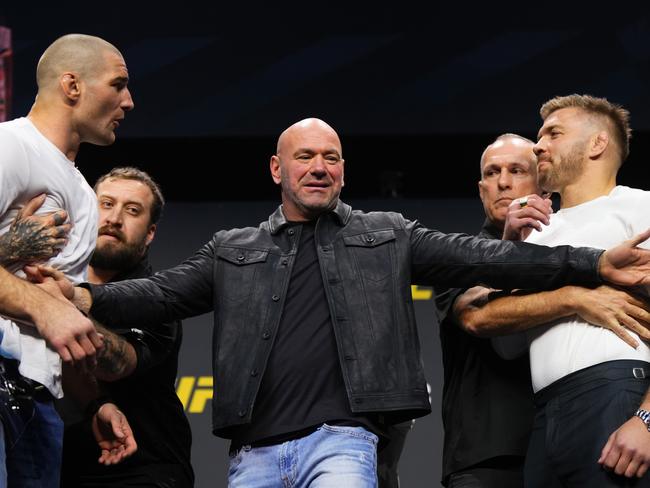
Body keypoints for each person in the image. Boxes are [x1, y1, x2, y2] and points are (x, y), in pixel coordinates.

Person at [67, 118, 650, 488]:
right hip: (253, 453)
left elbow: (489, 258)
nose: (319, 167)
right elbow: (156, 295)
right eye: (304, 157)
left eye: (331, 157)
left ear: (343, 171)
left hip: (342, 442)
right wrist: (77, 295)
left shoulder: (387, 233)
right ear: (277, 169)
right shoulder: (231, 250)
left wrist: (592, 263)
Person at [458, 95, 650, 487]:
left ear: (597, 144)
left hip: (617, 393)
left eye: (553, 134)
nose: (538, 145)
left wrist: (647, 419)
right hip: (545, 416)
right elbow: (507, 346)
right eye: (539, 135)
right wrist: (511, 255)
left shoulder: (640, 208)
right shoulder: (538, 234)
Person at [0, 33, 134, 486]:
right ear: (72, 86)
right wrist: (40, 302)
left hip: (40, 401)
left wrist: (92, 402)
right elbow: (47, 310)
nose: (128, 101)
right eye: (118, 85)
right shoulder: (10, 147)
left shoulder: (82, 193)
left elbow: (58, 320)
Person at [53, 167, 193, 487]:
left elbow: (116, 365)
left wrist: (47, 304)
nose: (114, 218)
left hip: (140, 470)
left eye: (132, 210)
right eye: (106, 204)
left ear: (150, 233)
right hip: (57, 465)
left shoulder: (160, 300)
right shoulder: (53, 276)